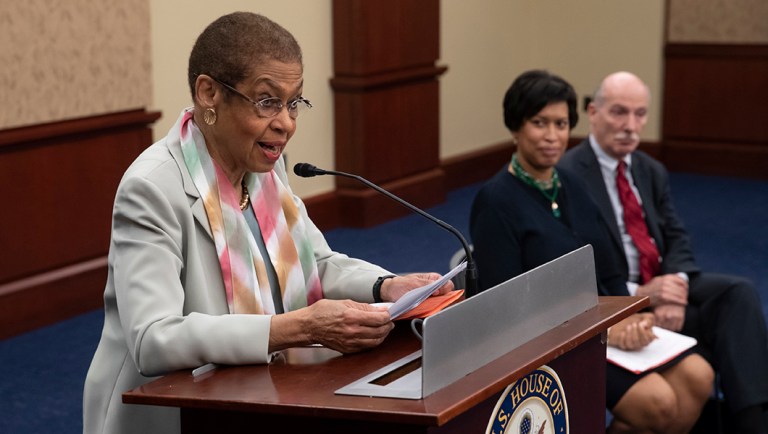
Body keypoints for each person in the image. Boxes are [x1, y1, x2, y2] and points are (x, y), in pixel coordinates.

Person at [82, 12, 453, 434]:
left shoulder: (265, 168)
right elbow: (153, 339)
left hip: (259, 392)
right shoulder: (152, 189)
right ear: (209, 94)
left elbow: (317, 262)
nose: (287, 123)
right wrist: (296, 328)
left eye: (293, 103)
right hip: (171, 412)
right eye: (267, 102)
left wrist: (387, 286)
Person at [470, 69, 713, 433]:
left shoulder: (572, 182)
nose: (553, 136)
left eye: (562, 123)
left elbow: (610, 267)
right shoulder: (495, 201)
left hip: (602, 323)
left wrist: (633, 315)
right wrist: (604, 329)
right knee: (658, 403)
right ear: (515, 127)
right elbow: (507, 307)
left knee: (699, 376)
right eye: (540, 123)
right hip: (550, 341)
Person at [559, 70, 768, 433]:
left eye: (640, 114)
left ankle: (753, 419)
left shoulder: (649, 168)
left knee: (738, 295)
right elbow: (568, 263)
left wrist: (675, 286)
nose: (630, 125)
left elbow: (676, 235)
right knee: (695, 370)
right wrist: (638, 294)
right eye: (619, 113)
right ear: (593, 112)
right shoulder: (567, 174)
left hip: (658, 284)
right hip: (613, 297)